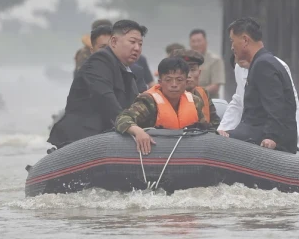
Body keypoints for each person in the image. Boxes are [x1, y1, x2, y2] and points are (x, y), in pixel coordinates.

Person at [48, 20, 146, 148]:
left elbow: (136, 103)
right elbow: (105, 98)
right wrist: (130, 126)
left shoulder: (127, 69)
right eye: (132, 42)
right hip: (81, 137)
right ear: (114, 42)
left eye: (140, 44)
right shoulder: (99, 61)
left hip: (108, 136)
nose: (137, 48)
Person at [219, 17, 297, 152]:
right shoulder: (261, 62)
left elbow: (276, 105)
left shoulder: (263, 64)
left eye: (232, 41)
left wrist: (271, 137)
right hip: (252, 131)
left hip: (263, 136)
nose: (231, 47)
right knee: (219, 136)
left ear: (245, 40)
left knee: (218, 142)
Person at [219, 54, 299, 151]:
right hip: (263, 120)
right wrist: (223, 128)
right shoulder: (239, 68)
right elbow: (238, 100)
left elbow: (283, 105)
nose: (240, 63)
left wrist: (274, 136)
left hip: (293, 113)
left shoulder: (273, 65)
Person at [115, 57, 208, 155]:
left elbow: (205, 129)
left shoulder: (195, 101)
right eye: (168, 80)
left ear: (186, 82)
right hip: (155, 153)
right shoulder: (149, 101)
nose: (174, 84)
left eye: (179, 80)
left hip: (186, 153)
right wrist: (138, 132)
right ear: (160, 82)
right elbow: (122, 119)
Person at [171, 49, 220, 129]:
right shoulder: (169, 97)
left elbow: (215, 124)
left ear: (199, 73)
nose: (189, 75)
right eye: (183, 70)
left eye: (193, 70)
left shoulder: (203, 93)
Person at [189, 28, 225, 98]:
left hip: (209, 102)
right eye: (193, 41)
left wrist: (194, 93)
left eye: (199, 41)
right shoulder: (184, 60)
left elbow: (215, 87)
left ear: (206, 42)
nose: (196, 44)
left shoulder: (215, 60)